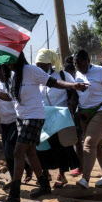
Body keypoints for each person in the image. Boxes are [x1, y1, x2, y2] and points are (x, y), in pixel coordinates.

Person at [0, 53, 88, 202]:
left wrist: (73, 85)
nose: (7, 63)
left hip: (35, 117)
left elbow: (53, 82)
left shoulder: (30, 70)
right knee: (30, 153)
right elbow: (9, 97)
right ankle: (44, 186)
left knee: (18, 152)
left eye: (9, 59)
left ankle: (14, 195)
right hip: (21, 119)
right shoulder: (12, 75)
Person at [73, 50, 102, 189]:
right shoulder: (77, 74)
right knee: (98, 145)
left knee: (88, 143)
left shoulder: (101, 71)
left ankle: (85, 179)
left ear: (88, 60)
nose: (80, 68)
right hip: (85, 114)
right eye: (77, 66)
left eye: (82, 64)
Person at [35, 49, 80, 188]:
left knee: (60, 146)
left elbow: (75, 92)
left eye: (43, 65)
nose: (41, 68)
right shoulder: (37, 78)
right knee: (43, 145)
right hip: (44, 116)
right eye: (38, 66)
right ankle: (45, 172)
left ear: (50, 64)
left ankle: (62, 174)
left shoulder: (63, 75)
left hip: (60, 116)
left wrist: (71, 104)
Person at [0, 65, 32, 189]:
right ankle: (20, 172)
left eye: (1, 74)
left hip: (15, 120)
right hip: (4, 122)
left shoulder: (13, 82)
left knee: (9, 150)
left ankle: (17, 178)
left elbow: (9, 98)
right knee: (8, 152)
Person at [64, 59, 84, 177]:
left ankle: (81, 167)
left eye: (70, 72)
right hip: (69, 115)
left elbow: (75, 100)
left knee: (78, 142)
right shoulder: (67, 85)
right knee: (74, 143)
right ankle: (79, 166)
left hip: (78, 114)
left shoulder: (77, 82)